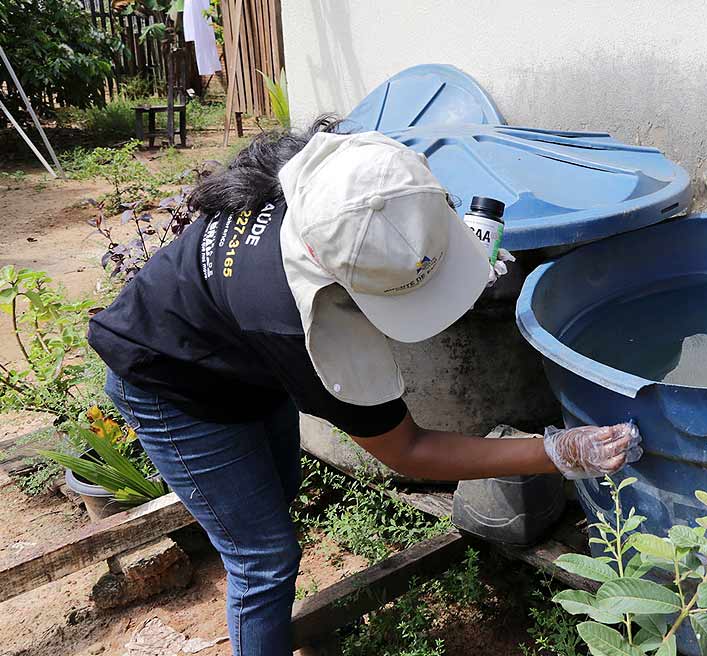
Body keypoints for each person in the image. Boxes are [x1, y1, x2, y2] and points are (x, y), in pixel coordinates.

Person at [87, 118, 641, 656]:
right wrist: (557, 452)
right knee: (263, 558)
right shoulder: (305, 332)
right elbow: (410, 450)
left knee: (277, 496)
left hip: (235, 353)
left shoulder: (345, 180)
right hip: (170, 384)